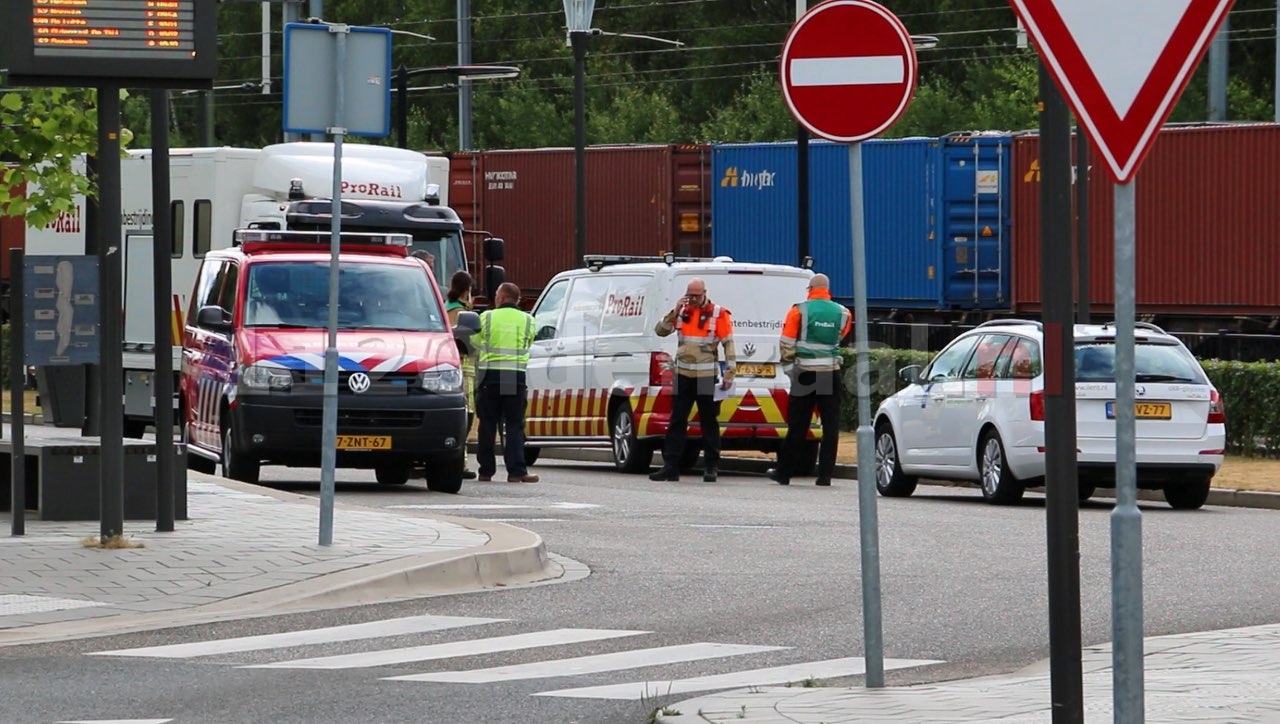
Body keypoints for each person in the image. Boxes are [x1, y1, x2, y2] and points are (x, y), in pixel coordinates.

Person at [768, 273, 852, 486]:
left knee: (798, 424)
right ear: (828, 289)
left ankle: (784, 472)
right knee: (831, 425)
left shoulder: (799, 310)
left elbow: (786, 343)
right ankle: (825, 475)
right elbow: (839, 337)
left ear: (810, 289)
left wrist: (789, 370)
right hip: (830, 373)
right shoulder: (843, 313)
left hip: (805, 373)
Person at [649, 277, 736, 483]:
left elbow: (728, 344)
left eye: (696, 295)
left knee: (709, 422)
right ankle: (671, 467)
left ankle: (711, 467)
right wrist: (675, 310)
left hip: (706, 376)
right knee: (677, 421)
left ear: (705, 293)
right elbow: (660, 331)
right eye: (690, 295)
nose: (693, 299)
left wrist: (730, 372)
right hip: (683, 375)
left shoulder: (718, 314)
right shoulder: (682, 312)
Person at [474, 282, 539, 483]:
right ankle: (516, 471)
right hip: (514, 377)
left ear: (501, 298)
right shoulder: (528, 320)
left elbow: (475, 342)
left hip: (490, 377)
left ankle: (486, 471)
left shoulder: (486, 317)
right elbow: (528, 342)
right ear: (516, 299)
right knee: (513, 425)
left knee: (487, 424)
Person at [445, 271, 479, 481]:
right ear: (467, 290)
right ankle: (459, 462)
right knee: (465, 416)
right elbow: (468, 345)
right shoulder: (460, 312)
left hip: (448, 367)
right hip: (464, 369)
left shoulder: (444, 307)